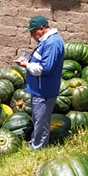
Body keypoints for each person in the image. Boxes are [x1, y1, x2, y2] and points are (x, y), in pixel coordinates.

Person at [18, 16, 65, 150]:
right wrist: (28, 60)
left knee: (41, 121)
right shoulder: (46, 40)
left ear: (42, 29)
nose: (32, 36)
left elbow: (46, 68)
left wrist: (27, 65)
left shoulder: (52, 42)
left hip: (44, 89)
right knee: (39, 119)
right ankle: (36, 143)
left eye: (33, 32)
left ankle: (38, 148)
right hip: (39, 89)